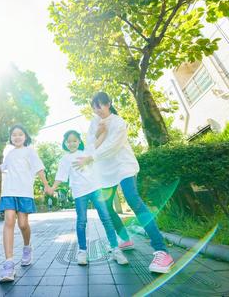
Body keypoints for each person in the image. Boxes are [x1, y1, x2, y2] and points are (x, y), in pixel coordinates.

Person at [75, 92, 175, 273]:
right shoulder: (93, 122)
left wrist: (90, 157)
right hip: (104, 172)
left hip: (123, 167)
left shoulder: (119, 123)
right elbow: (90, 145)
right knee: (105, 207)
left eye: (100, 106)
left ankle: (162, 251)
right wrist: (97, 134)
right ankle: (125, 239)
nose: (97, 110)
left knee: (133, 200)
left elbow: (111, 147)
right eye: (94, 107)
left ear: (109, 104)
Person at [50, 130, 129, 266]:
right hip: (79, 193)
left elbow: (98, 142)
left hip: (95, 189)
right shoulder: (65, 159)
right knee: (81, 221)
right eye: (69, 141)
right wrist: (52, 188)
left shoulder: (87, 152)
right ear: (65, 143)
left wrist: (104, 129)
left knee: (106, 218)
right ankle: (82, 251)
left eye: (74, 140)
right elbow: (60, 176)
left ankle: (115, 249)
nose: (72, 143)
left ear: (79, 141)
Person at [0, 124, 52, 283]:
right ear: (11, 138)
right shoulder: (9, 154)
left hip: (24, 192)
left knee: (23, 224)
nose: (17, 137)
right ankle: (9, 264)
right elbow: (3, 167)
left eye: (20, 134)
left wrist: (46, 185)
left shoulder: (30, 151)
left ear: (25, 136)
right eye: (14, 135)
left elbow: (39, 169)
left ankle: (27, 247)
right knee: (9, 220)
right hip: (9, 192)